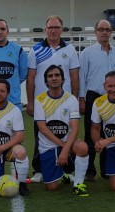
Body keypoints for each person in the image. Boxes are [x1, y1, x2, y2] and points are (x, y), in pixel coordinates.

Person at [26, 15, 80, 183]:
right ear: (45, 29)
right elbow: (31, 78)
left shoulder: (70, 50)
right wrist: (30, 101)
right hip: (42, 103)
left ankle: (68, 170)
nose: (53, 30)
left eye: (56, 27)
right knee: (40, 136)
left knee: (67, 134)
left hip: (65, 103)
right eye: (50, 27)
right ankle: (39, 170)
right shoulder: (36, 50)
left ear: (61, 30)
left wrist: (76, 100)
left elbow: (74, 77)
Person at [34, 65, 90, 196]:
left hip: (67, 144)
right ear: (46, 81)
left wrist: (65, 150)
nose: (54, 78)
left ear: (63, 80)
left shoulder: (71, 99)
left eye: (57, 75)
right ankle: (63, 174)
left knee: (82, 147)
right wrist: (63, 147)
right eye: (50, 76)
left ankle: (78, 185)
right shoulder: (40, 100)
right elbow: (42, 128)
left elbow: (75, 127)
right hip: (47, 146)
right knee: (52, 187)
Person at [78, 19, 115, 182]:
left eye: (107, 30)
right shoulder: (87, 53)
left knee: (109, 133)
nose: (104, 32)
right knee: (91, 133)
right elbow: (81, 76)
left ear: (111, 32)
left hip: (112, 98)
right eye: (101, 29)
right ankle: (90, 170)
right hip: (93, 97)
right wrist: (81, 99)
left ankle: (107, 169)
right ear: (95, 32)